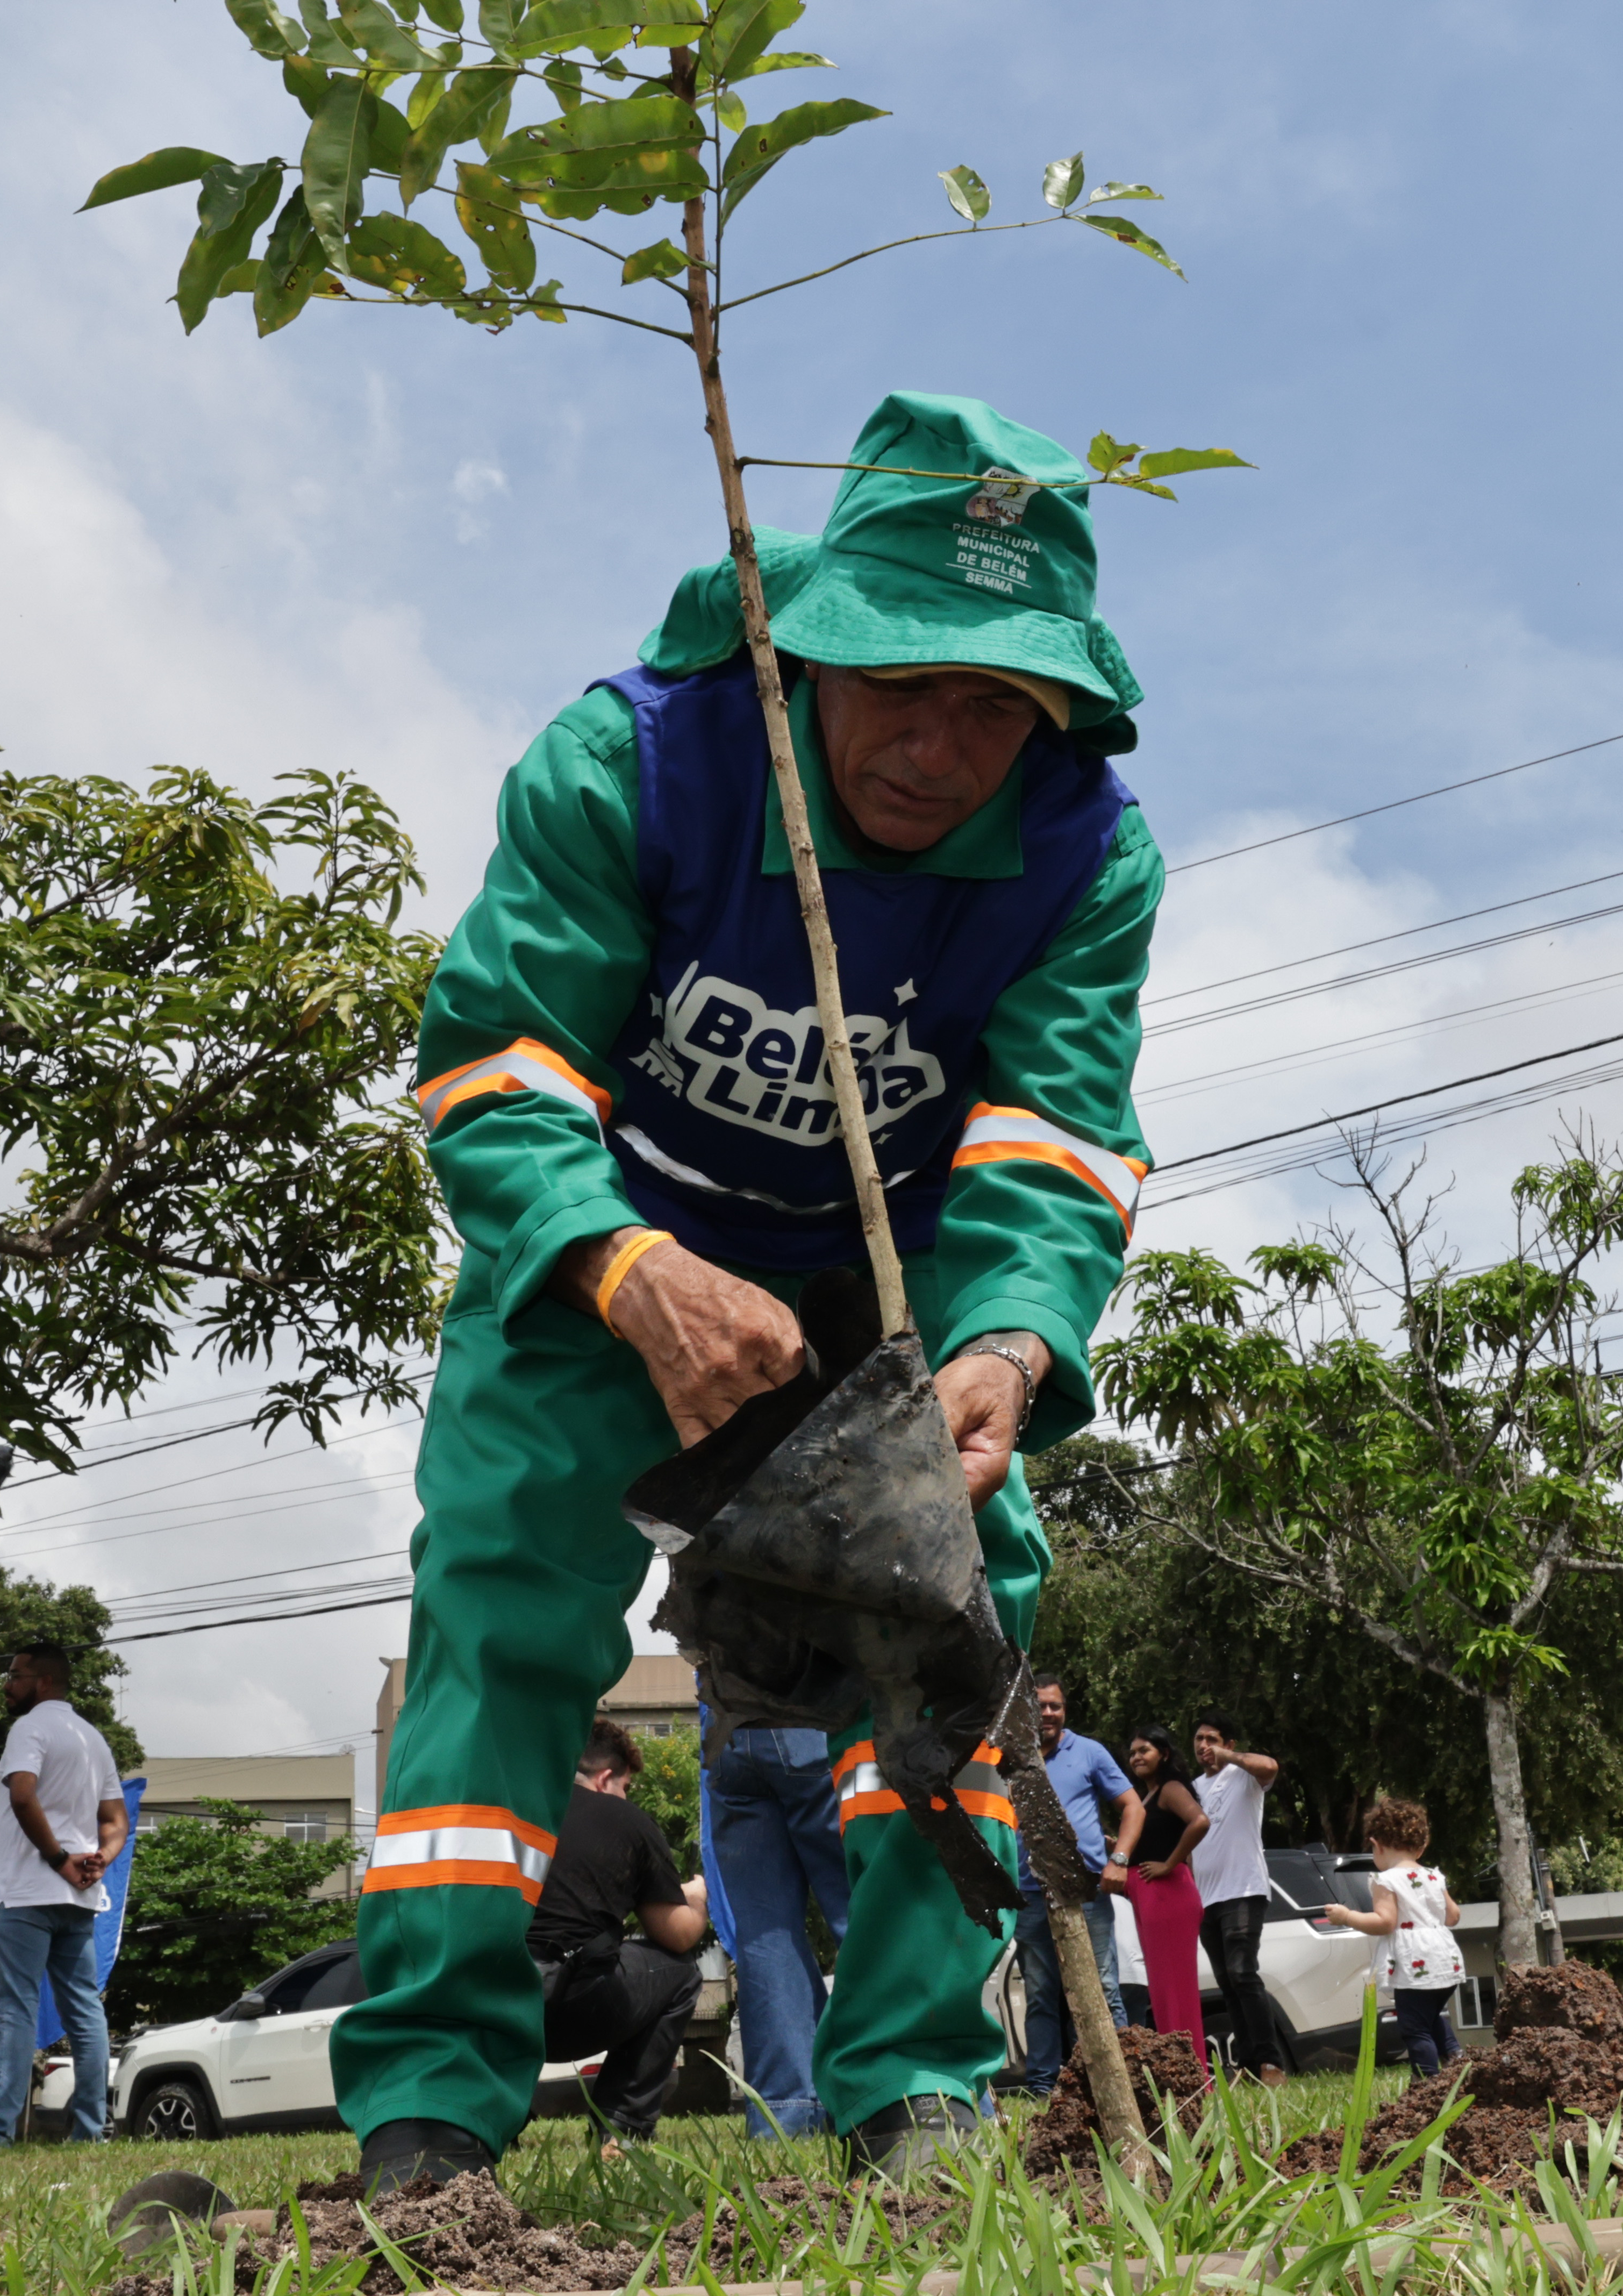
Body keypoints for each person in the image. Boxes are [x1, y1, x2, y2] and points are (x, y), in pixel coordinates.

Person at [328, 393, 1162, 2189]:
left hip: (890, 1298)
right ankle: (426, 2118)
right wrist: (629, 1267)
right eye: (897, 685)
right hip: (600, 1261)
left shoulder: (1092, 855)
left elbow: (1059, 1138)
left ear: (1056, 709)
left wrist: (1010, 1342)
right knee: (497, 1647)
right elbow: (498, 1065)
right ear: (805, 637)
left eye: (993, 708)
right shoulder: (632, 762)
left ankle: (920, 2096)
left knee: (946, 1652)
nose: (938, 750)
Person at [0, 1647, 125, 2149]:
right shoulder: (93, 1740)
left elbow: (22, 1794)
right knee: (85, 2011)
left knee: (13, 2010)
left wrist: (56, 1858)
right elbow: (117, 1822)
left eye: (15, 1675)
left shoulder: (29, 1729)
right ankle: (92, 2132)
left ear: (45, 1681)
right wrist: (99, 1860)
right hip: (77, 1898)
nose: (7, 1684)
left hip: (24, 1893)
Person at [534, 1718, 712, 2151]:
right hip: (572, 2007)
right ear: (606, 1777)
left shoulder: (511, 1809)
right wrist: (697, 1899)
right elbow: (678, 1936)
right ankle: (623, 2130)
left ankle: (489, 2127)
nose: (625, 1796)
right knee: (679, 1972)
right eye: (626, 1786)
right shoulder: (627, 1821)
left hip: (485, 2002)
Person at [703, 1709, 850, 2138]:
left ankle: (786, 2116)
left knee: (765, 1933)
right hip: (808, 1712)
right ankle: (903, 2087)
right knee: (865, 1912)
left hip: (729, 1730)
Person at [1014, 1674, 1143, 2093]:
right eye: (1041, 1706)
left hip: (1085, 1892)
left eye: (1056, 1706)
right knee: (1040, 1995)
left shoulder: (1088, 1751)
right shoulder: (1009, 1757)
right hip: (1031, 1896)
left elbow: (1133, 1807)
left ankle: (1121, 2079)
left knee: (1104, 1989)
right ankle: (1043, 2088)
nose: (1049, 1713)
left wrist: (1119, 1860)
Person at [1315, 1795, 1464, 2077]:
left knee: (1415, 2028)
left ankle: (1427, 2083)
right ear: (1421, 1848)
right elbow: (1453, 1917)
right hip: (1446, 1960)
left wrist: (1347, 1917)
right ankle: (1456, 2060)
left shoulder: (1387, 1880)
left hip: (1414, 1964)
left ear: (1376, 1845)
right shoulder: (1434, 1876)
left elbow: (1385, 1922)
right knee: (1432, 2016)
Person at [1188, 1714, 1299, 2082]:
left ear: (1229, 1743)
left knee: (1242, 1972)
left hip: (1243, 1891)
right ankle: (1250, 2066)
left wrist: (1228, 1757)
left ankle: (1272, 2063)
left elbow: (1270, 1766)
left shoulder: (1244, 1777)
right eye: (1199, 1740)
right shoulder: (1191, 1789)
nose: (1204, 1746)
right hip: (1206, 1899)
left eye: (1212, 1739)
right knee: (1227, 1981)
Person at [1119, 1726, 1210, 2050]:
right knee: (1161, 1991)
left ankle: (1193, 2070)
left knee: (1176, 1991)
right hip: (1150, 1898)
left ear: (1165, 1754)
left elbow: (1200, 1821)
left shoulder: (1170, 1788)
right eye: (1132, 1753)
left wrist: (1170, 1864)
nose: (1137, 1757)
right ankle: (1180, 2066)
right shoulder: (1145, 1797)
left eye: (1144, 1750)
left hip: (1168, 1894)